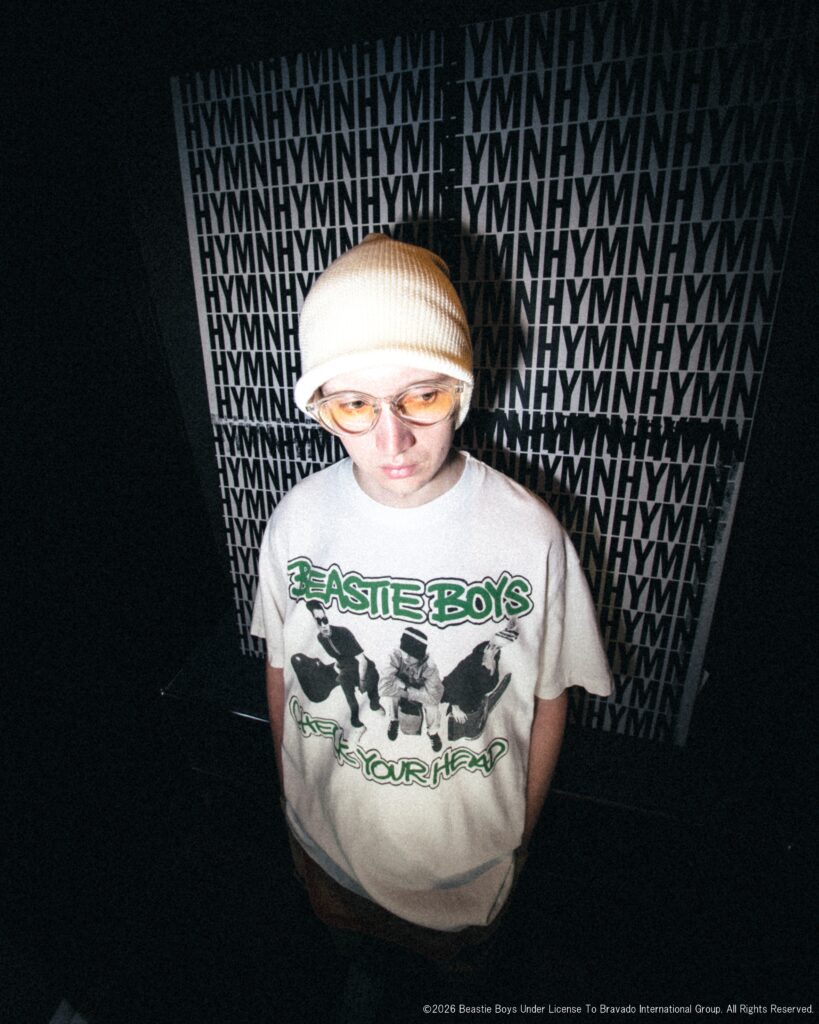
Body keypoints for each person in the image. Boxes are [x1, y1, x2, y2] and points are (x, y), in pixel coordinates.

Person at [251, 233, 612, 958]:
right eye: (354, 404)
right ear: (319, 406)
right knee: (349, 969)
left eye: (423, 396)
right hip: (325, 852)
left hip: (471, 878)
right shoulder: (296, 520)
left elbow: (548, 699)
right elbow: (281, 670)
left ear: (462, 388)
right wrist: (292, 806)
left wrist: (517, 838)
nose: (393, 440)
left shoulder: (528, 533)